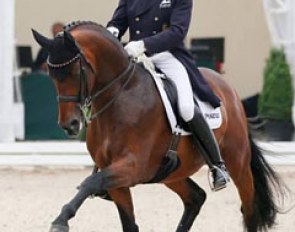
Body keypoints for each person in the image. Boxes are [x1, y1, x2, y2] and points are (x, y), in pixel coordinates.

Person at [106, 0, 229, 191]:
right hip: (134, 57)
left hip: (167, 56)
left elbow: (177, 31)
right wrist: (112, 31)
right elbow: (118, 21)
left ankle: (217, 166)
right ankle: (103, 165)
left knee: (187, 108)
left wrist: (143, 44)